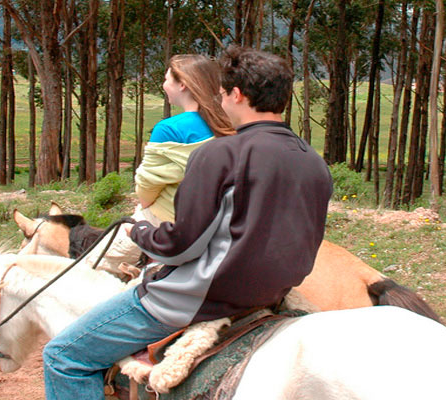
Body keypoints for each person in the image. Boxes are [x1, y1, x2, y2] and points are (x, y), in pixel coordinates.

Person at [41, 47, 333, 399]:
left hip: (200, 298)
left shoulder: (219, 154)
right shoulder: (313, 161)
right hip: (272, 294)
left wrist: (140, 232)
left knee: (63, 355)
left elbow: (181, 244)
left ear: (237, 95)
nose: (221, 100)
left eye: (223, 93)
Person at [82, 55, 236, 279]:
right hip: (220, 222)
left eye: (167, 79)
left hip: (170, 219)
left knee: (94, 265)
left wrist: (144, 206)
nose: (164, 85)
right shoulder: (229, 124)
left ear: (182, 84)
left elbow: (147, 184)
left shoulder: (168, 129)